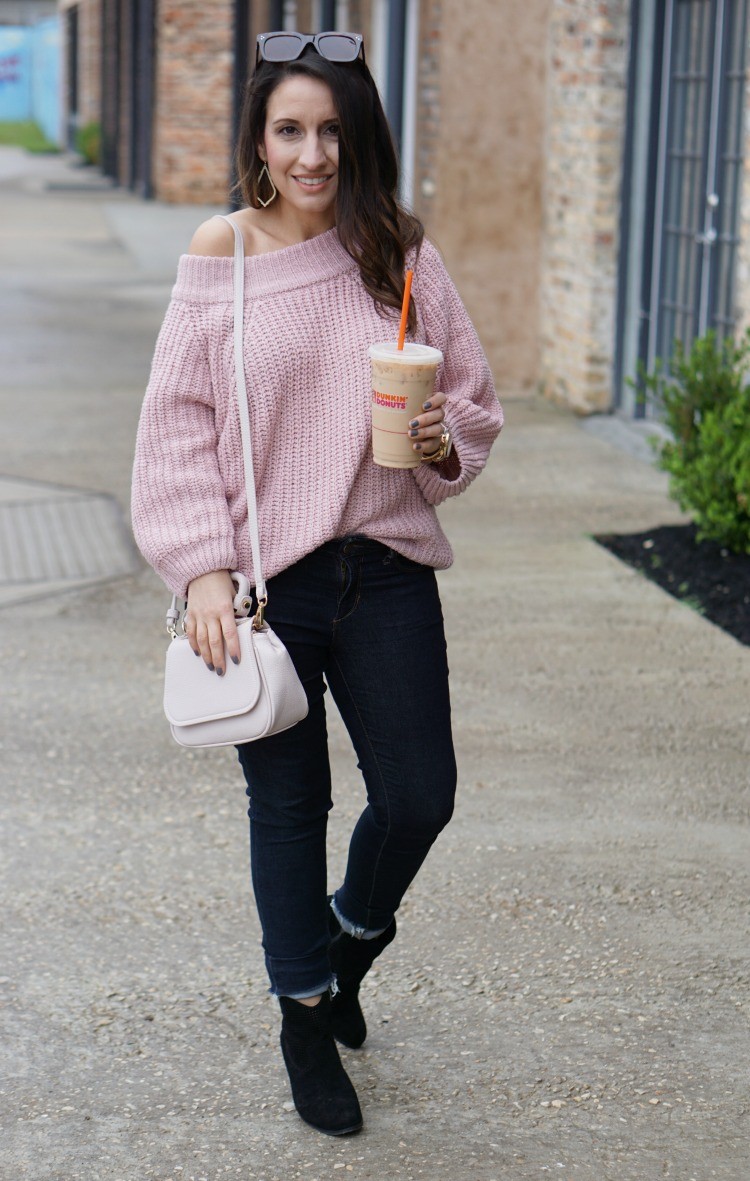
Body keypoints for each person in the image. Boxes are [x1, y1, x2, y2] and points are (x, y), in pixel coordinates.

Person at [131, 29, 503, 1138]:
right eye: (290, 129)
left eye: (333, 129)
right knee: (289, 806)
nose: (313, 153)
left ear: (362, 137)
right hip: (267, 589)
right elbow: (178, 426)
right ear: (257, 138)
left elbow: (472, 404)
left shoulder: (399, 253)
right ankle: (304, 1013)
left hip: (384, 569)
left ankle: (348, 938)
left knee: (420, 796)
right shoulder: (224, 251)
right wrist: (201, 566)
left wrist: (440, 440)